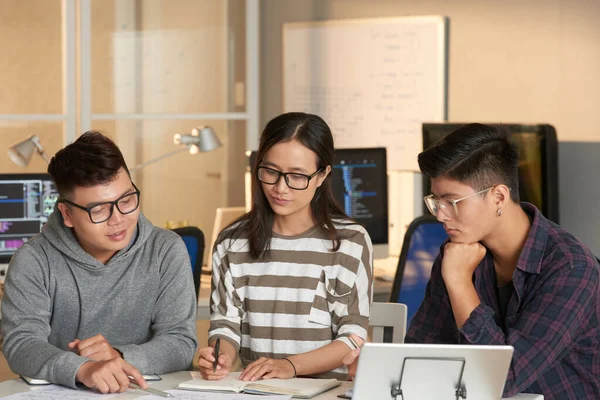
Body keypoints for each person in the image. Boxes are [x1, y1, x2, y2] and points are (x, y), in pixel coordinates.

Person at [345, 123, 600, 399]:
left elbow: (503, 379)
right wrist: (380, 369)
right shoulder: (456, 251)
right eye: (436, 201)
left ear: (499, 196)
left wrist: (459, 283)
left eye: (452, 202)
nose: (440, 215)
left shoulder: (571, 268)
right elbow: (424, 347)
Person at [1, 131, 198, 394]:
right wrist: (82, 369)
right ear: (67, 213)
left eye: (126, 200)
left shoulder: (166, 249)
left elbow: (181, 343)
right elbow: (21, 344)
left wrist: (117, 357)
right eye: (99, 209)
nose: (118, 219)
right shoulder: (34, 259)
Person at [197, 112, 373, 381]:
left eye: (297, 176)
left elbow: (352, 337)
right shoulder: (232, 241)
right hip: (256, 391)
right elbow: (226, 325)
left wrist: (290, 366)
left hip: (325, 393)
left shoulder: (350, 242)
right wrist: (221, 357)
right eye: (270, 171)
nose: (280, 188)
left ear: (323, 175)